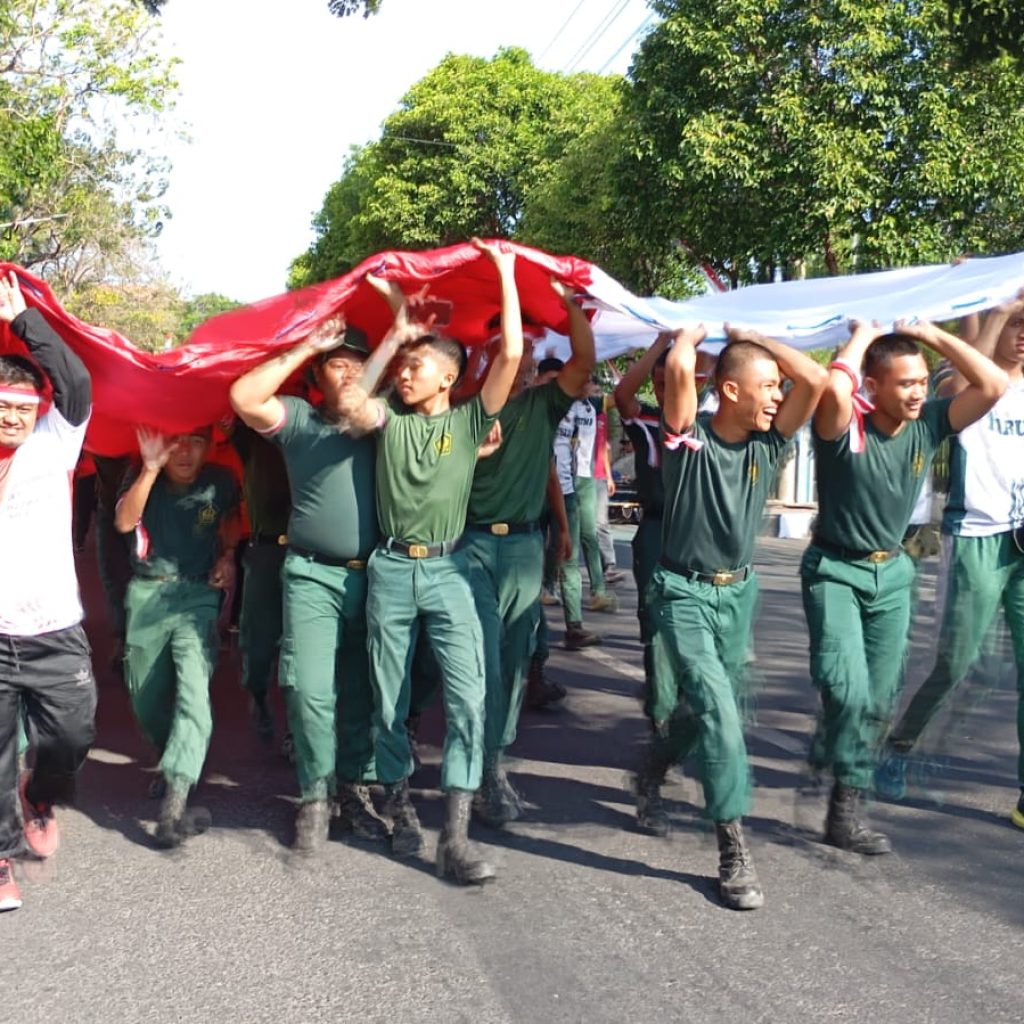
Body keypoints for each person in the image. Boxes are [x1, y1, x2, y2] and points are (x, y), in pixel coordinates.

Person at [335, 238, 522, 885]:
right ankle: (399, 807)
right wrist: (395, 337)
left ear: (449, 376)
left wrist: (504, 274)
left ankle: (458, 836)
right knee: (390, 696)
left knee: (469, 697)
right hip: (390, 569)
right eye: (404, 365)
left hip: (450, 569)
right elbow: (352, 404)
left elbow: (516, 353)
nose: (406, 373)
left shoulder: (472, 423)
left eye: (419, 365)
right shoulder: (387, 420)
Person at [801, 318, 1007, 856]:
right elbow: (833, 386)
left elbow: (991, 385)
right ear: (873, 387)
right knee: (847, 689)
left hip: (893, 573)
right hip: (835, 570)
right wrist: (865, 336)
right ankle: (836, 728)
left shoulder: (930, 422)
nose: (917, 391)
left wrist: (932, 335)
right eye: (904, 383)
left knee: (879, 700)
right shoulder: (844, 423)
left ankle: (844, 814)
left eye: (921, 381)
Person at [641, 323, 827, 911]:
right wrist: (688, 337)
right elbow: (676, 374)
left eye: (778, 386)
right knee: (722, 714)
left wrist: (757, 337)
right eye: (766, 386)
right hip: (684, 593)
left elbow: (816, 379)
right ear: (728, 391)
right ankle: (733, 847)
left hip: (739, 594)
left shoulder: (769, 444)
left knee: (708, 706)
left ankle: (653, 765)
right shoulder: (687, 438)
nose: (777, 395)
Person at [230, 317, 387, 853]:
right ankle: (316, 796)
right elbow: (246, 396)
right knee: (312, 691)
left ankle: (353, 788)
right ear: (317, 374)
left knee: (364, 691)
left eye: (358, 365)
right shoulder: (298, 419)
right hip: (311, 575)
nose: (348, 373)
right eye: (337, 363)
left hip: (377, 577)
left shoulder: (387, 422)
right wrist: (306, 344)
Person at [877, 295, 1024, 820]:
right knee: (956, 662)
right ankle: (897, 749)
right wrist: (994, 311)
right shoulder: (966, 387)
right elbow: (967, 384)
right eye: (1015, 324)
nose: (1021, 334)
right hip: (978, 538)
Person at [465, 277, 595, 826]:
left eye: (528, 357)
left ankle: (493, 763)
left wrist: (569, 305)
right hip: (466, 546)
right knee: (477, 658)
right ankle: (470, 764)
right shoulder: (462, 407)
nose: (521, 365)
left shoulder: (543, 405)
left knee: (514, 657)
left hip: (522, 546)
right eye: (509, 355)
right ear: (487, 360)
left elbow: (584, 364)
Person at [0, 271, 94, 913]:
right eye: (0, 402)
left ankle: (39, 796)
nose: (11, 413)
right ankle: (2, 856)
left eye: (20, 403)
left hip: (57, 632)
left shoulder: (54, 445)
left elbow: (79, 383)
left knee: (69, 741)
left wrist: (25, 319)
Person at [115, 425, 240, 847]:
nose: (186, 452)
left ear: (210, 446)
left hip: (197, 593)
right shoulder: (140, 473)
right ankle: (175, 755)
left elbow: (233, 519)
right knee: (143, 694)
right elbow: (123, 521)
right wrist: (151, 469)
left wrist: (228, 556)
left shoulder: (220, 482)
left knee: (193, 690)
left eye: (197, 442)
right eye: (177, 442)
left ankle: (177, 790)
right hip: (149, 593)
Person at [614, 333, 671, 729]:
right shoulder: (646, 417)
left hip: (698, 536)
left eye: (677, 380)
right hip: (654, 530)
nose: (667, 390)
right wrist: (661, 342)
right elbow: (622, 395)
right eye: (661, 382)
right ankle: (661, 708)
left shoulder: (710, 421)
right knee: (654, 619)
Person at [228, 421, 290, 740]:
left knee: (305, 647)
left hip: (309, 552)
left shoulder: (318, 428)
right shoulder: (253, 435)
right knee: (259, 642)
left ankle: (297, 730)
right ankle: (258, 694)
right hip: (266, 550)